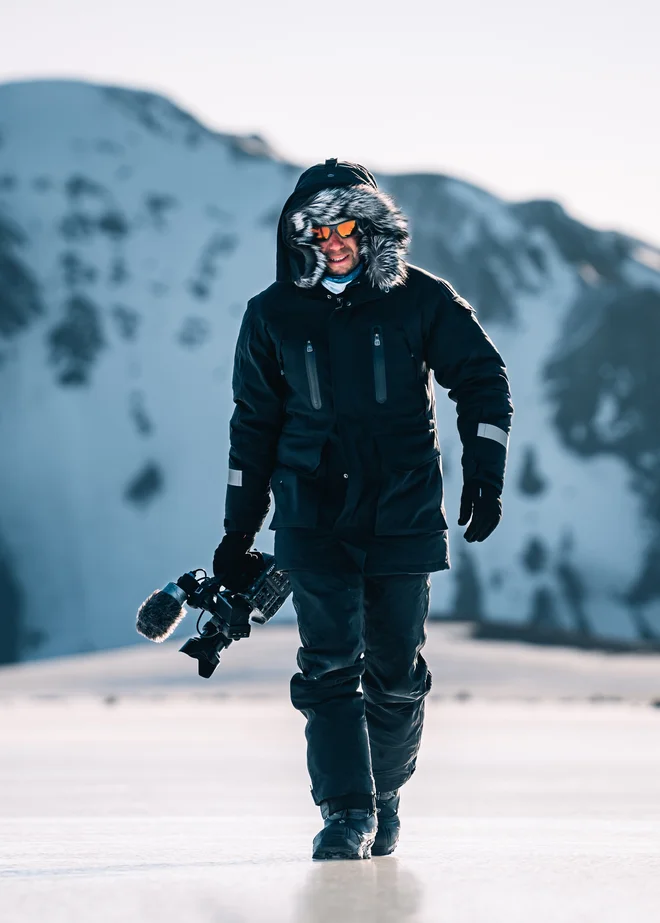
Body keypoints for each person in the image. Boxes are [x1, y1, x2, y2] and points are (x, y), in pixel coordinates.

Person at [212, 158, 513, 860]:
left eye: (347, 223)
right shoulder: (271, 315)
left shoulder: (420, 300)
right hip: (311, 515)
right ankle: (345, 812)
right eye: (315, 227)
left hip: (402, 512)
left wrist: (486, 471)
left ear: (373, 229)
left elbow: (482, 377)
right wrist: (238, 529)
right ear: (297, 236)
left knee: (397, 672)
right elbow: (251, 426)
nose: (333, 238)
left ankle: (385, 795)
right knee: (327, 667)